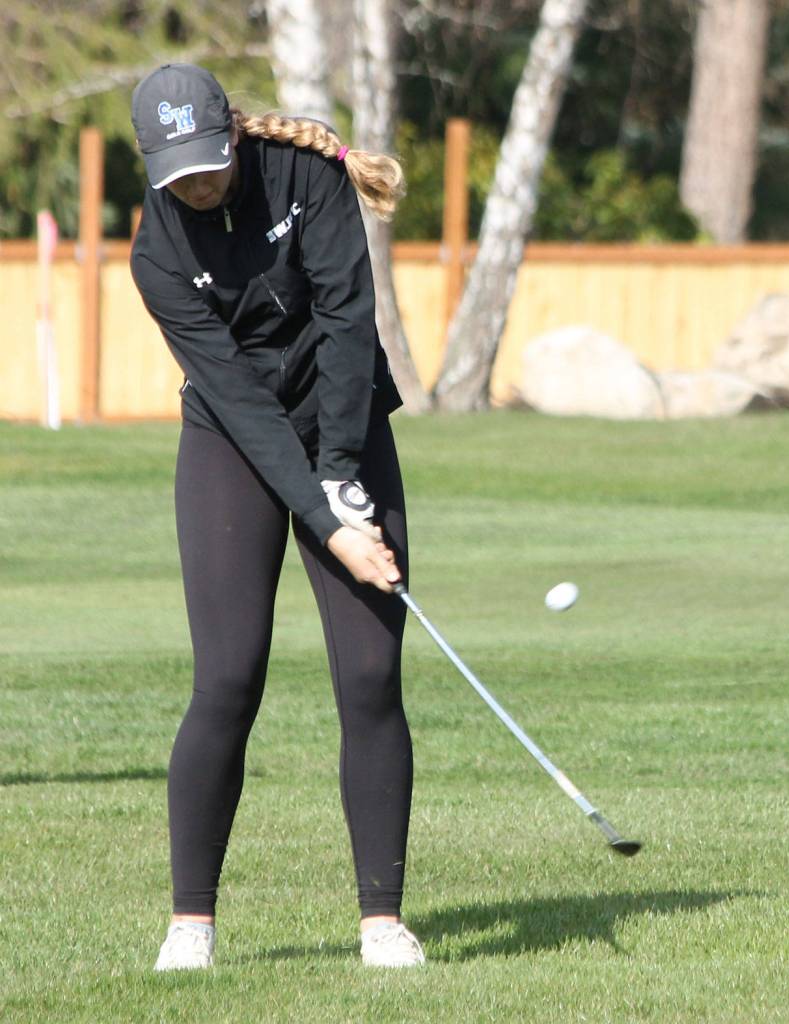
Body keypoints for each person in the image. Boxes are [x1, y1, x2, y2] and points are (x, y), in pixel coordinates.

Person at [129, 63, 424, 970]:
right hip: (231, 442)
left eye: (209, 161)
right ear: (154, 167)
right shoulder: (157, 253)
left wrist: (341, 476)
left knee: (371, 675)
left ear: (234, 135)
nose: (201, 182)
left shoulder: (309, 179)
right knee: (227, 679)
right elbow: (236, 399)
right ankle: (192, 925)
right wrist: (324, 516)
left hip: (346, 422)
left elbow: (346, 322)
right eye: (179, 172)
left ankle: (381, 922)